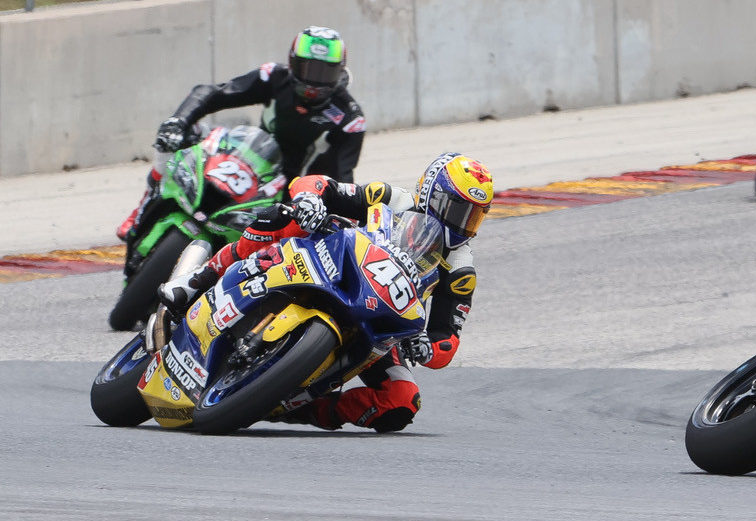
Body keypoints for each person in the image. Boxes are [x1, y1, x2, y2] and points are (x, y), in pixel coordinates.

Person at [158, 152, 493, 433]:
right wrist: (309, 200)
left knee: (403, 401)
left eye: (474, 216)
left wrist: (427, 348)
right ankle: (199, 279)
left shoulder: (460, 268)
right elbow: (321, 186)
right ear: (431, 193)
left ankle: (305, 408)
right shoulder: (392, 198)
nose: (464, 224)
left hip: (380, 323)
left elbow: (447, 337)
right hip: (335, 265)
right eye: (458, 209)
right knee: (285, 216)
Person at [117, 26, 366, 241]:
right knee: (177, 134)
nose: (314, 83)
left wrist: (337, 213)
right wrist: (179, 120)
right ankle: (142, 210)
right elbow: (214, 93)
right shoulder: (274, 76)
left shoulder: (349, 118)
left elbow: (342, 176)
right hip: (251, 155)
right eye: (308, 70)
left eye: (324, 73)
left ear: (339, 72)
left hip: (288, 189)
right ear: (293, 64)